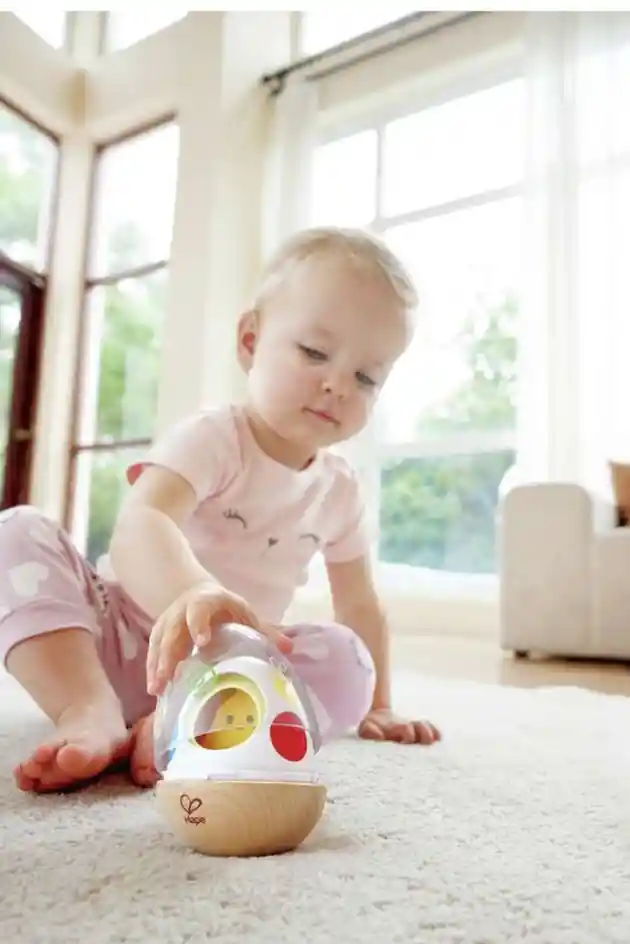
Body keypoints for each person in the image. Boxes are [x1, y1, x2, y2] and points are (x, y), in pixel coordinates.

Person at [2, 226, 441, 794]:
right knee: (17, 530)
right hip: (115, 638)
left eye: (366, 377)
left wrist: (379, 705)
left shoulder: (340, 490)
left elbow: (358, 600)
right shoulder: (216, 437)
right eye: (314, 352)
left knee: (345, 659)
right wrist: (189, 594)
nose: (336, 384)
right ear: (250, 341)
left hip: (225, 670)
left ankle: (181, 726)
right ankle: (87, 708)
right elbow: (143, 522)